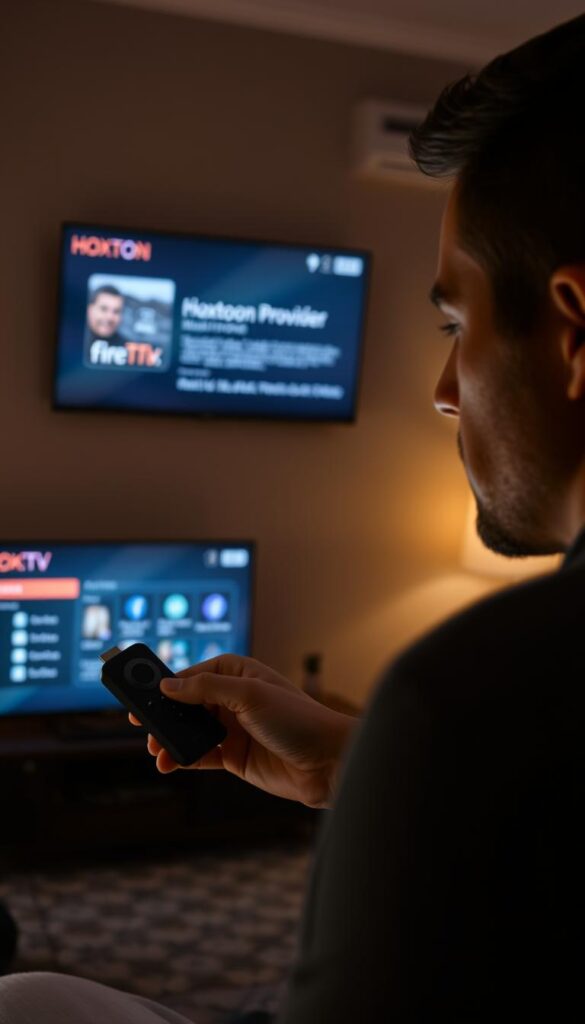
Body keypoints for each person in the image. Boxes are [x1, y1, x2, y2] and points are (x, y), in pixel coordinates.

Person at [2, 11, 585, 1023]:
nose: (445, 391)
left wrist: (415, 761)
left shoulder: (483, 700)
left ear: (573, 333)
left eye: (456, 324)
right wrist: (362, 768)